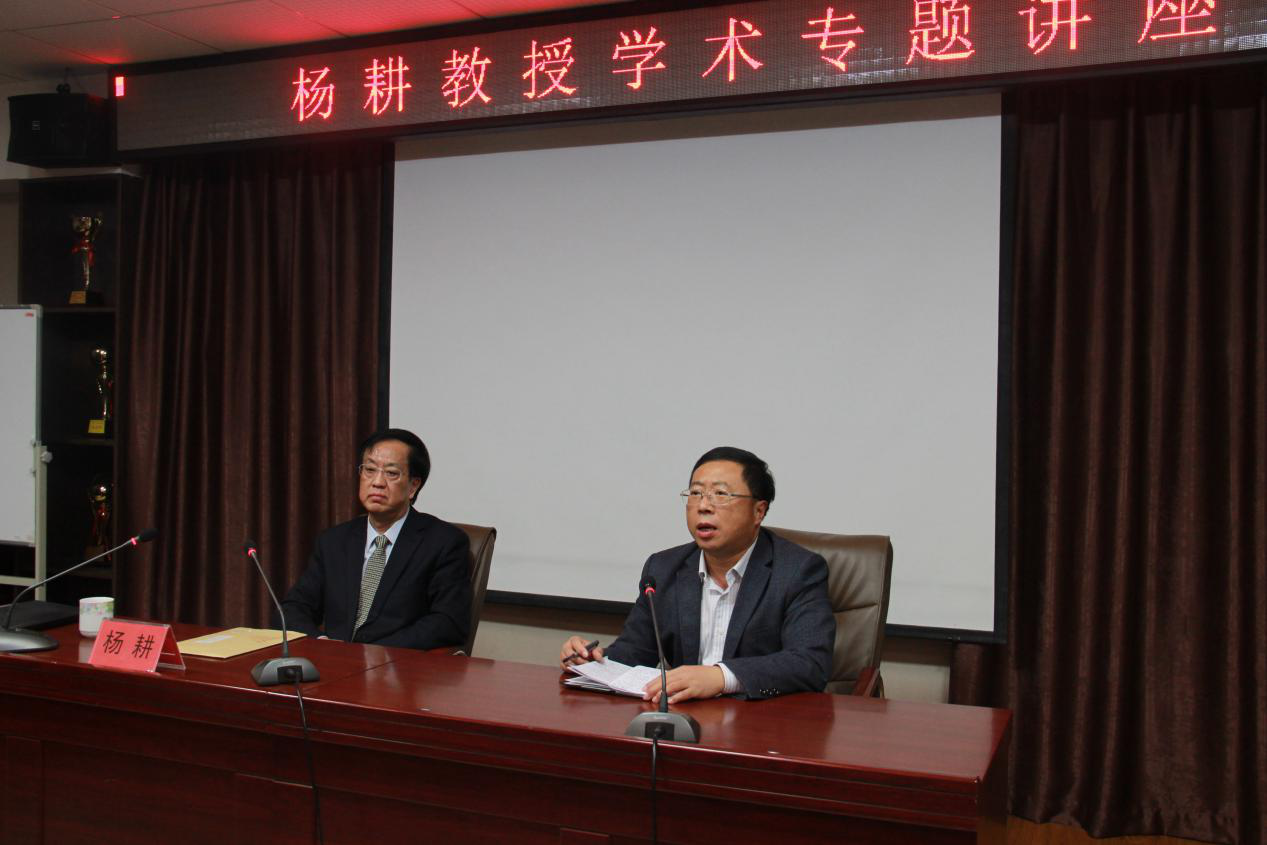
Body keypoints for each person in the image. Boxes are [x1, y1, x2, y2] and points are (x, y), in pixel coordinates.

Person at [560, 447, 834, 702]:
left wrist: (721, 677)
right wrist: (593, 661)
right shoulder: (663, 568)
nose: (704, 506)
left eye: (721, 494)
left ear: (758, 511)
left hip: (761, 723)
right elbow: (634, 652)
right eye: (695, 493)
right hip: (683, 720)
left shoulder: (798, 570)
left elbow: (809, 663)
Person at [281, 428, 471, 650]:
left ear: (413, 486)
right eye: (369, 470)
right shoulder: (334, 541)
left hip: (397, 665)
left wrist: (372, 654)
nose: (377, 482)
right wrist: (323, 645)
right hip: (334, 664)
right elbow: (293, 608)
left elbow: (448, 622)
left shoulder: (443, 543)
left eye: (391, 473)